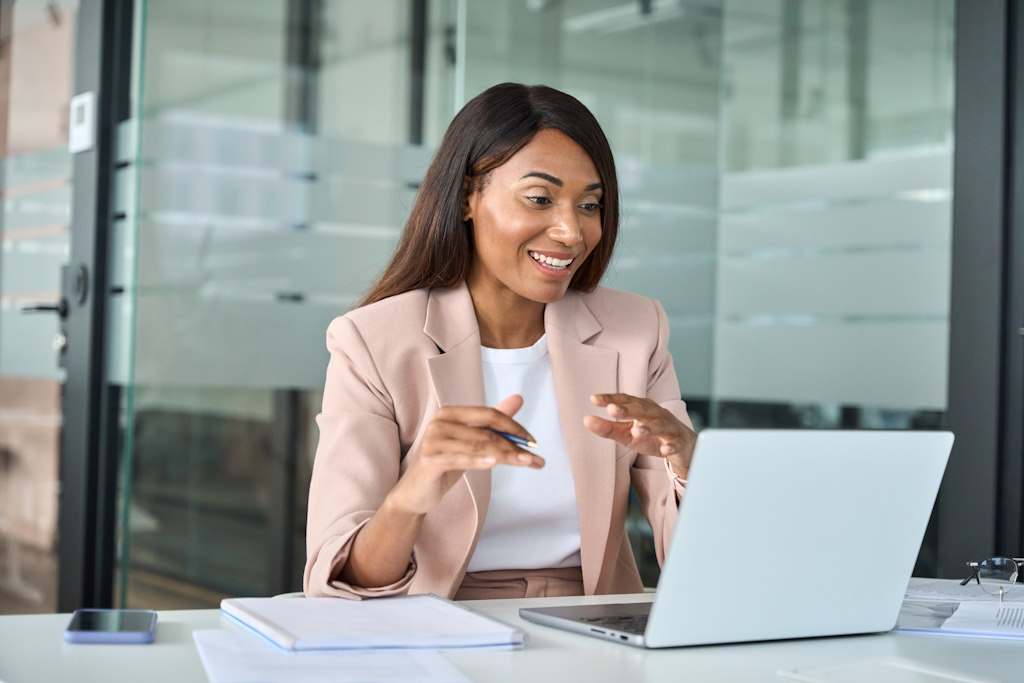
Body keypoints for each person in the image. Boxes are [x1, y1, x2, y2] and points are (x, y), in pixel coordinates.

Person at [304, 82, 696, 601]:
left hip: (593, 626)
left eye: (589, 205)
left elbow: (702, 564)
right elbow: (337, 584)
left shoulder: (636, 329)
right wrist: (413, 492)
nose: (571, 233)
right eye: (540, 198)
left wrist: (688, 461)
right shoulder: (373, 342)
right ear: (468, 197)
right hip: (435, 624)